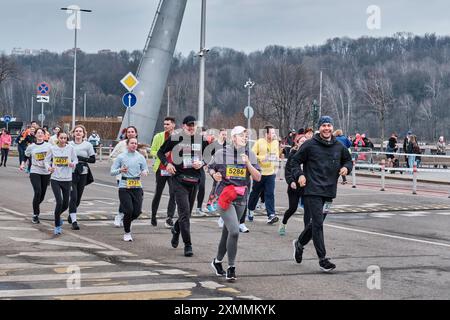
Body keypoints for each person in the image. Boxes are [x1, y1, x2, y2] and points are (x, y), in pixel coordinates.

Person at [291, 116, 352, 272]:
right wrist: (300, 175)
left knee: (316, 224)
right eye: (324, 125)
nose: (327, 128)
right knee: (318, 223)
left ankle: (299, 243)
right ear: (319, 128)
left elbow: (348, 160)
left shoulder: (338, 146)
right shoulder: (310, 145)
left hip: (329, 190)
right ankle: (322, 259)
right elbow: (294, 162)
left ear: (332, 127)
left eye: (329, 125)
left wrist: (346, 168)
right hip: (312, 190)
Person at [209, 126, 261, 281]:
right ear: (233, 138)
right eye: (241, 135)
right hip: (225, 198)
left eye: (246, 135)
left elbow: (258, 177)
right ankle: (231, 267)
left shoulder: (249, 154)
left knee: (227, 233)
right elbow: (210, 168)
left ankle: (217, 261)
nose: (245, 138)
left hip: (241, 199)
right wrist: (215, 175)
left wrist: (248, 164)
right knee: (234, 231)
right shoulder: (221, 153)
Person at [157, 115, 208, 257]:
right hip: (178, 180)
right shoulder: (176, 138)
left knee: (187, 214)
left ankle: (176, 229)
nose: (191, 128)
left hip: (194, 180)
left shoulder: (201, 139)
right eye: (188, 125)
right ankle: (188, 245)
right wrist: (167, 164)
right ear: (184, 126)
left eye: (193, 125)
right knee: (184, 213)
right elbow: (160, 152)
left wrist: (202, 163)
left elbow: (210, 155)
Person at [111, 137, 149, 242]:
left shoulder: (140, 157)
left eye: (136, 143)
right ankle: (127, 233)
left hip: (137, 186)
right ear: (127, 144)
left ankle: (127, 221)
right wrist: (120, 170)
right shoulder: (121, 157)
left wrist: (145, 172)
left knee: (137, 212)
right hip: (124, 186)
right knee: (128, 210)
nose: (134, 145)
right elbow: (112, 171)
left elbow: (145, 168)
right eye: (132, 143)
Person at [44, 131, 78, 235]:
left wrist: (73, 164)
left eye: (65, 138)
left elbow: (76, 160)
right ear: (58, 138)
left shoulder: (71, 148)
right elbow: (46, 160)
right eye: (61, 138)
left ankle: (57, 217)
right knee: (59, 201)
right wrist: (49, 168)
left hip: (67, 179)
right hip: (55, 178)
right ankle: (57, 225)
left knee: (65, 204)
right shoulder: (52, 148)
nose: (63, 140)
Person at [247, 125, 280, 224]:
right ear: (266, 134)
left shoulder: (275, 143)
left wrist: (276, 167)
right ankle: (250, 209)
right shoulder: (259, 142)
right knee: (255, 193)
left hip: (270, 173)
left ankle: (271, 215)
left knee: (270, 194)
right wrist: (262, 157)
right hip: (259, 173)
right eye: (272, 133)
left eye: (275, 132)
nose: (274, 134)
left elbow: (276, 155)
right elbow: (251, 155)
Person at [150, 116, 177, 228]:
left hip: (173, 169)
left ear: (173, 125)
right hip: (161, 168)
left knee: (173, 193)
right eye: (164, 124)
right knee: (158, 193)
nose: (165, 126)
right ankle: (153, 215)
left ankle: (169, 218)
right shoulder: (158, 136)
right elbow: (152, 150)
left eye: (168, 124)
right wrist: (161, 155)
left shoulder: (178, 137)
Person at [20, 128, 51, 224]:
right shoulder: (31, 147)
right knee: (37, 191)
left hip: (46, 172)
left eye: (42, 133)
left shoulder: (49, 146)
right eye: (38, 133)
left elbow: (55, 156)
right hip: (35, 170)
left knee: (42, 195)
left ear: (45, 135)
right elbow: (25, 155)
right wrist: (22, 164)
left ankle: (35, 205)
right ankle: (35, 214)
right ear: (36, 135)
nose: (40, 134)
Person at [110, 126, 139, 227]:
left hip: (135, 178)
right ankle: (119, 216)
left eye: (132, 132)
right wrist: (120, 164)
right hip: (122, 176)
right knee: (124, 199)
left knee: (132, 199)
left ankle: (127, 218)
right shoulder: (121, 144)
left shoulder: (136, 144)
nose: (130, 133)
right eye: (128, 132)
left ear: (136, 133)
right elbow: (112, 156)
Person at [68, 125, 96, 230]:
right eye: (76, 131)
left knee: (78, 198)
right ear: (73, 133)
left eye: (80, 131)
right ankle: (74, 221)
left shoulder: (87, 145)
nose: (78, 133)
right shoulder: (69, 144)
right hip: (71, 172)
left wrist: (81, 158)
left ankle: (71, 213)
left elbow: (93, 160)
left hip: (83, 172)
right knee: (73, 196)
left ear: (84, 133)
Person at [278, 135, 305, 236]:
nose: (303, 143)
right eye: (301, 141)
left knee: (308, 209)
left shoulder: (310, 153)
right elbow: (288, 170)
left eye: (305, 141)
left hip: (306, 186)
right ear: (297, 143)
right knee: (292, 208)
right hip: (294, 186)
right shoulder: (293, 153)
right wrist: (291, 182)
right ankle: (283, 222)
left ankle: (306, 232)